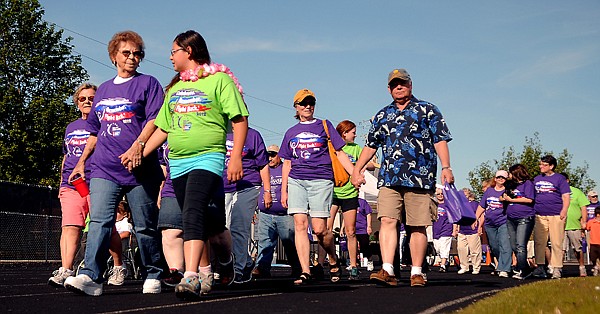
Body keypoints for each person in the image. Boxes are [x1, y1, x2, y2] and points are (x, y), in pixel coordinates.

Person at [143, 30, 248, 299]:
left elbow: (239, 119)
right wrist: (140, 153)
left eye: (173, 51)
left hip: (208, 157)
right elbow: (163, 128)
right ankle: (222, 262)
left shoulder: (219, 80)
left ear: (188, 51)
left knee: (191, 212)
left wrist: (235, 156)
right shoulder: (175, 88)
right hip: (178, 163)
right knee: (208, 220)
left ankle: (191, 276)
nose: (170, 57)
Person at [64, 31, 165, 297]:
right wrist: (81, 163)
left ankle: (154, 272)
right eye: (127, 53)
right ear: (114, 56)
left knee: (144, 225)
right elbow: (95, 131)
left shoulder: (148, 84)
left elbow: (156, 119)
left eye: (137, 53)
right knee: (99, 220)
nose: (132, 58)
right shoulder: (105, 89)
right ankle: (91, 276)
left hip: (140, 169)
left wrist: (139, 145)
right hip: (104, 168)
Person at [352, 68, 454, 287]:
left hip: (420, 177)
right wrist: (356, 169)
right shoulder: (382, 115)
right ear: (389, 89)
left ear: (411, 85)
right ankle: (387, 269)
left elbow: (440, 139)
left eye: (403, 83)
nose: (399, 87)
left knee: (417, 226)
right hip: (389, 178)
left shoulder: (428, 110)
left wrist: (446, 166)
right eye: (394, 84)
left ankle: (417, 272)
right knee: (387, 220)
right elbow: (371, 146)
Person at [279, 88, 355, 285]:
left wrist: (354, 172)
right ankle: (305, 271)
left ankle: (332, 257)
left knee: (320, 229)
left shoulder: (324, 125)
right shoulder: (290, 132)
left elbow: (339, 153)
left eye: (311, 102)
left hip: (321, 180)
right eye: (303, 103)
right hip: (297, 180)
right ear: (296, 107)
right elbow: (286, 163)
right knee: (300, 225)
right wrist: (284, 190)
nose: (308, 106)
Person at [48, 83, 95, 287]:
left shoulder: (103, 125)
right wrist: (61, 182)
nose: (87, 102)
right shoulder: (71, 127)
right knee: (70, 227)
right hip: (72, 184)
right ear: (77, 103)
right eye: (82, 99)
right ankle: (66, 269)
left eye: (91, 98)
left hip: (96, 182)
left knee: (104, 228)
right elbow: (66, 156)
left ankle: (118, 265)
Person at [222, 127, 269, 284]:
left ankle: (239, 268)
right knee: (224, 228)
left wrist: (267, 190)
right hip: (223, 186)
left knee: (238, 226)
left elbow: (263, 165)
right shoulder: (219, 131)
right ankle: (247, 262)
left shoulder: (253, 135)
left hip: (248, 185)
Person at [252, 145, 301, 278]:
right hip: (265, 214)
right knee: (264, 243)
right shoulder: (262, 170)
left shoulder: (287, 169)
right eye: (268, 155)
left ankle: (297, 268)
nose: (270, 158)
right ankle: (262, 268)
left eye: (273, 155)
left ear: (280, 155)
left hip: (284, 215)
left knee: (289, 243)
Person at [328, 120, 368, 280]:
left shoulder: (357, 149)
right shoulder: (333, 147)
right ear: (344, 133)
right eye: (353, 132)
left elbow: (364, 163)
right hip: (333, 192)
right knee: (325, 230)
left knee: (350, 231)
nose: (355, 134)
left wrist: (366, 168)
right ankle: (329, 261)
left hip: (350, 193)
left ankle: (353, 265)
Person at [530, 155, 570, 279]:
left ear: (551, 166)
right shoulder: (536, 179)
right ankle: (540, 267)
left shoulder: (560, 179)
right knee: (539, 241)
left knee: (556, 242)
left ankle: (557, 267)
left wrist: (564, 210)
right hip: (540, 215)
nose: (541, 166)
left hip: (556, 214)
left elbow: (566, 196)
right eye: (540, 164)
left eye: (544, 165)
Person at [475, 170, 512, 278]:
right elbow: (482, 206)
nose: (501, 179)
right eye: (499, 177)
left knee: (505, 245)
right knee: (494, 246)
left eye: (503, 178)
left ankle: (504, 269)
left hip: (503, 221)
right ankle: (501, 264)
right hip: (490, 223)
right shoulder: (489, 191)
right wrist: (475, 218)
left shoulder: (507, 191)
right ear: (495, 179)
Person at [502, 164, 535, 279]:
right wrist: (504, 198)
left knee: (521, 245)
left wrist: (512, 200)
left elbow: (529, 199)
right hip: (511, 218)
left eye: (510, 173)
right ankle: (524, 267)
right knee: (514, 245)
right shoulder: (511, 185)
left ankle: (523, 271)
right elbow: (504, 196)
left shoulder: (528, 184)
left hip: (524, 217)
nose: (509, 175)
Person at [561, 173, 589, 277]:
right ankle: (559, 268)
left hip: (574, 225)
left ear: (567, 180)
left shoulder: (577, 192)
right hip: (561, 225)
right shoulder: (557, 193)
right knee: (560, 249)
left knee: (577, 248)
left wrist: (584, 221)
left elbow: (583, 207)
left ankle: (582, 267)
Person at [455, 188, 482, 275]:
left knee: (474, 250)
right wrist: (456, 228)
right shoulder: (459, 205)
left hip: (473, 231)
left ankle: (476, 267)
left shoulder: (475, 204)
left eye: (465, 195)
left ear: (469, 195)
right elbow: (458, 217)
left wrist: (480, 227)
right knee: (461, 249)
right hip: (462, 231)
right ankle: (464, 267)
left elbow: (481, 215)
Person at [432, 188, 452, 272]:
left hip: (446, 229)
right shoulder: (434, 205)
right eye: (438, 194)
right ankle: (446, 261)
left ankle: (443, 265)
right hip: (436, 229)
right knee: (438, 248)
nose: (440, 195)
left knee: (444, 247)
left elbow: (453, 219)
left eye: (442, 194)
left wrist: (454, 229)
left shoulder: (448, 205)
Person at [355, 193, 374, 271]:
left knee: (365, 246)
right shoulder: (348, 202)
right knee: (352, 246)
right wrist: (342, 227)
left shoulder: (363, 202)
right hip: (352, 229)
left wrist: (369, 226)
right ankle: (354, 263)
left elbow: (368, 214)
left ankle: (369, 261)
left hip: (362, 228)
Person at [586, 207, 600, 276]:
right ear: (597, 215)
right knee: (593, 257)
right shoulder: (591, 222)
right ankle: (595, 267)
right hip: (593, 243)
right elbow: (587, 229)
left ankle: (598, 268)